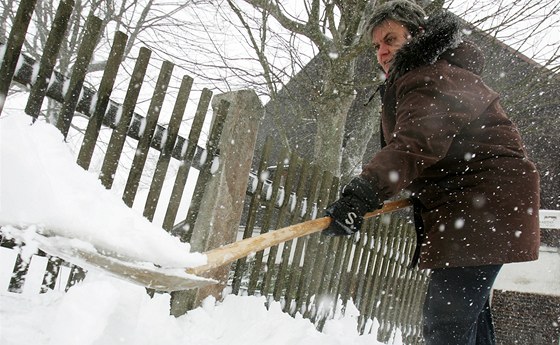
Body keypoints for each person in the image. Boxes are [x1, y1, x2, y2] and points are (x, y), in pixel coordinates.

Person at [322, 1, 541, 344]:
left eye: (391, 40)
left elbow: (414, 143)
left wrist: (362, 193)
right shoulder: (432, 73)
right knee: (464, 321)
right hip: (474, 207)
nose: (381, 52)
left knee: (446, 326)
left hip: (480, 207)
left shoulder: (431, 76)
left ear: (417, 36)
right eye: (376, 45)